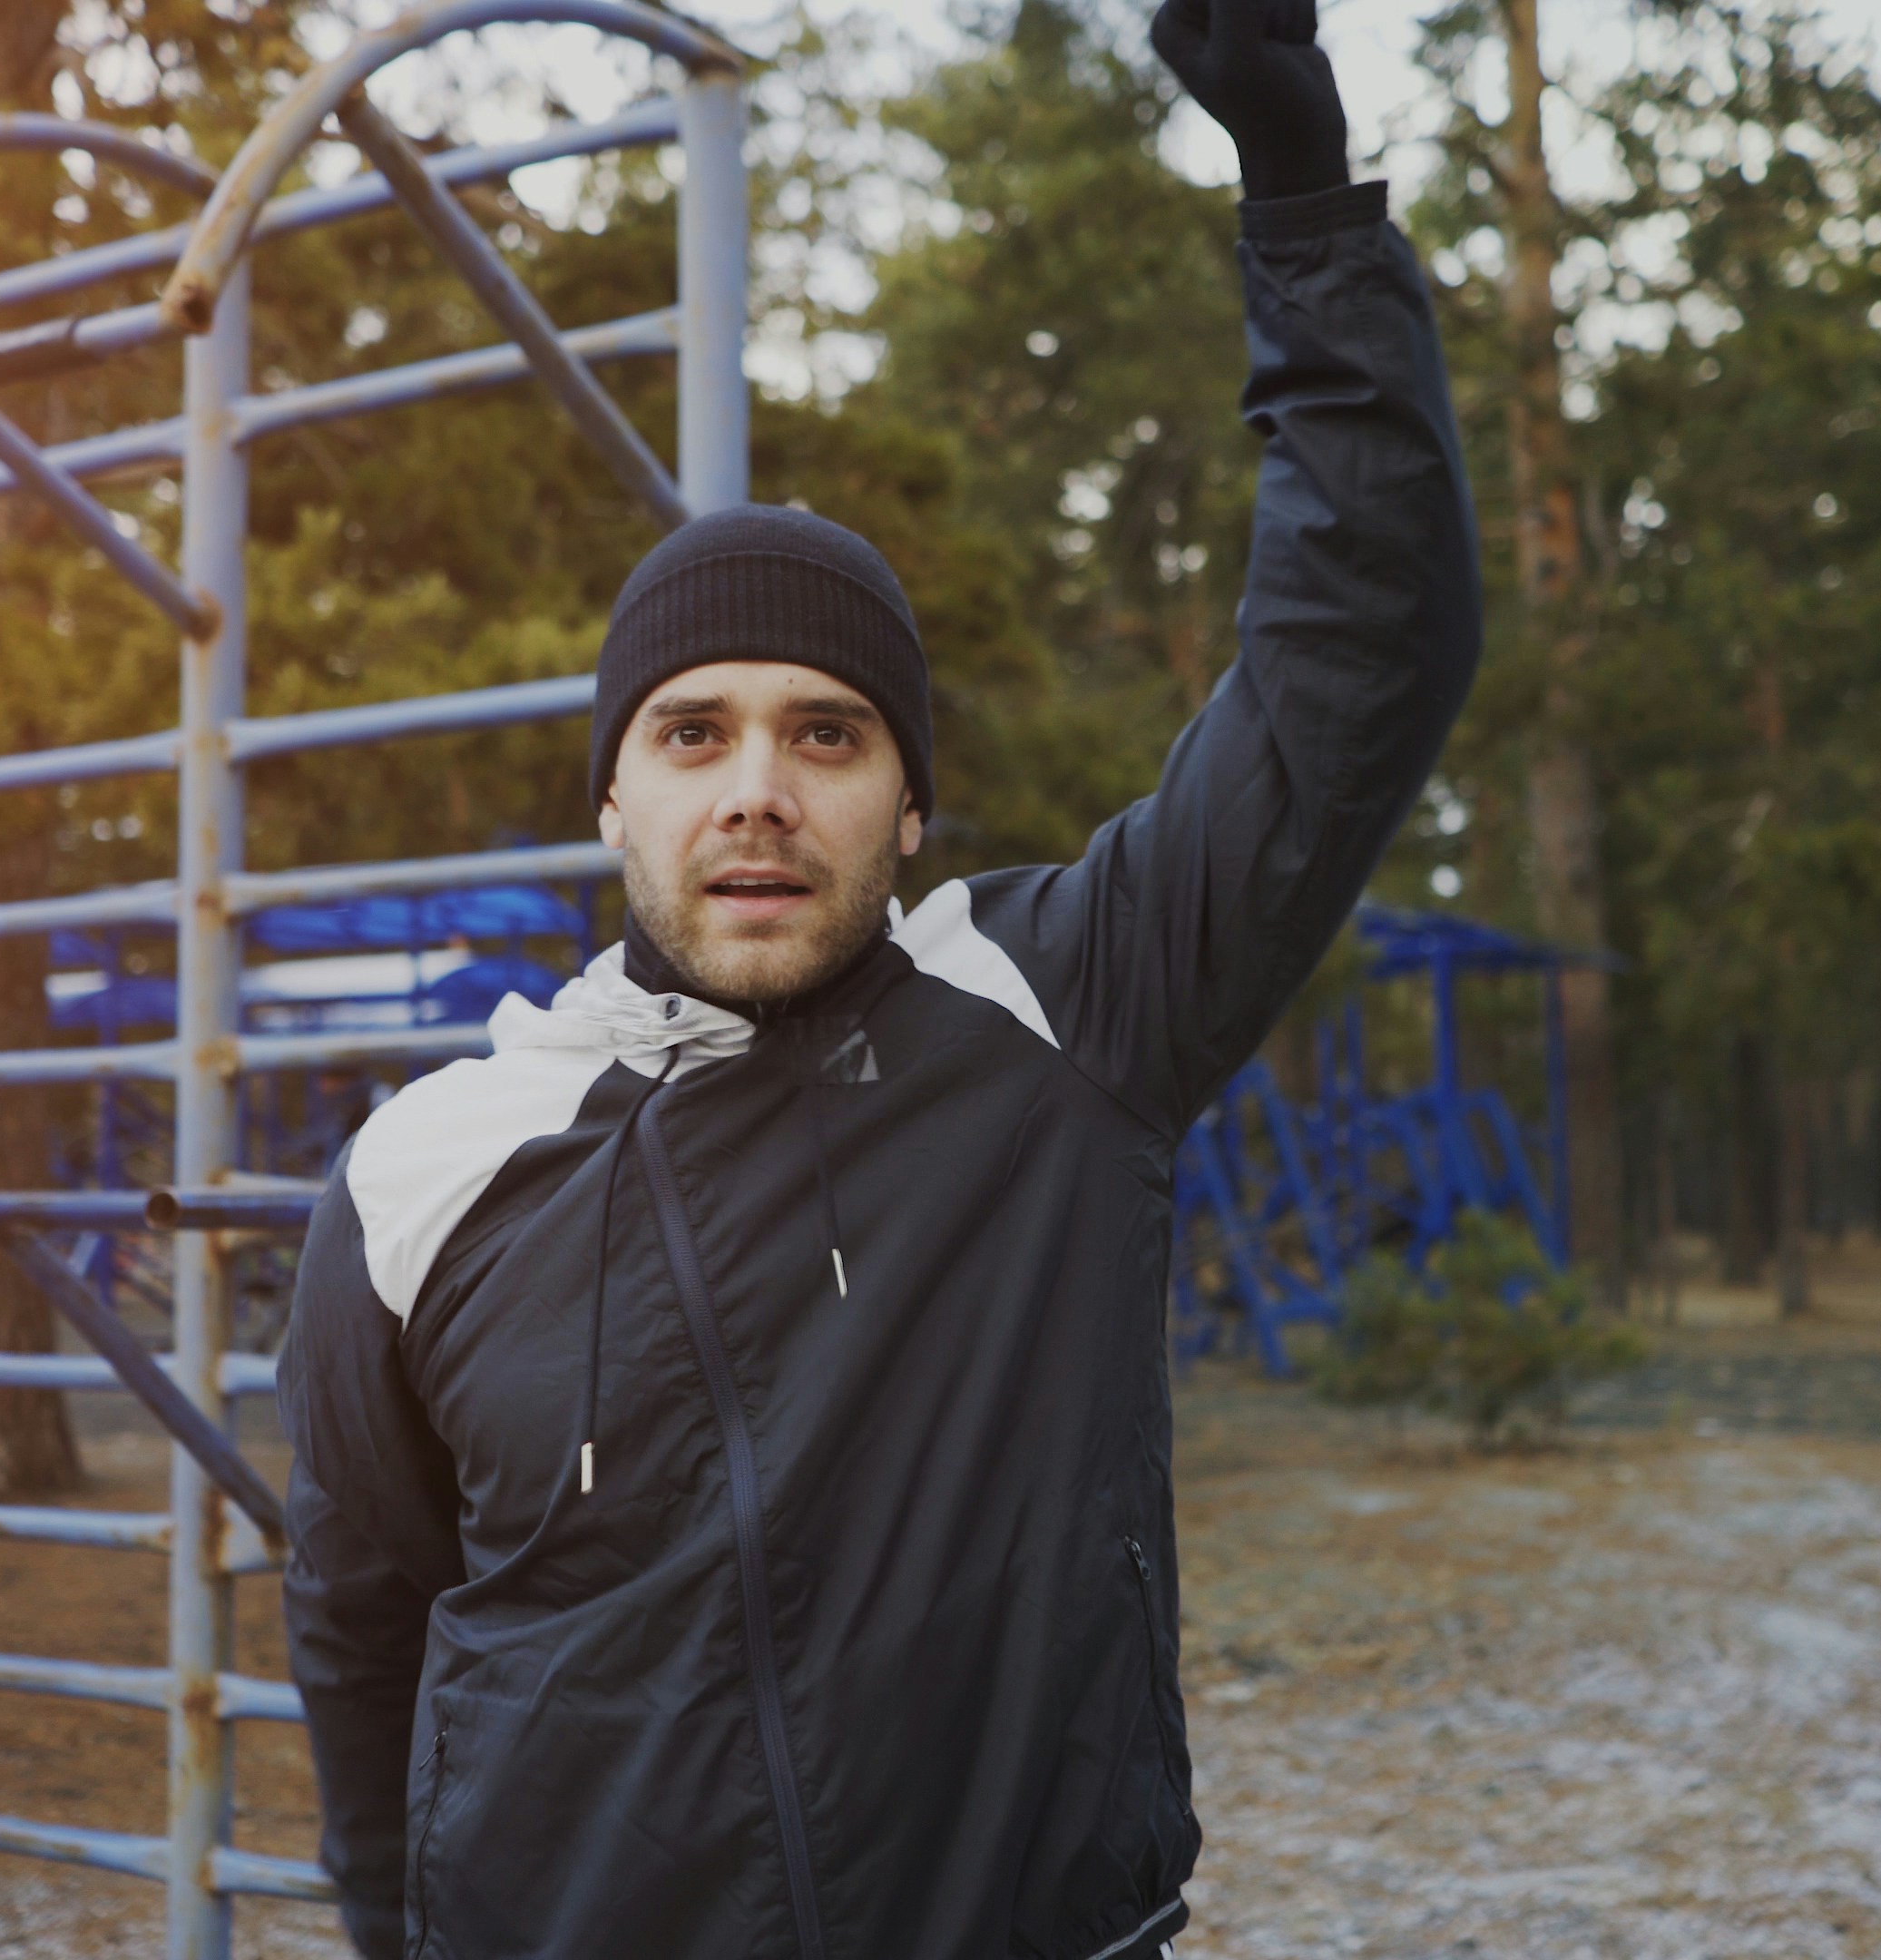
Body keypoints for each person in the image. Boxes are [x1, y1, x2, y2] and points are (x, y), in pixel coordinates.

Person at [276, 3, 1477, 1952]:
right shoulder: (423, 1178)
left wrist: (1307, 199)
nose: (759, 792)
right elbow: (365, 1636)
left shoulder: (1059, 1021)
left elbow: (1363, 658)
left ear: (913, 807)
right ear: (610, 797)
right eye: (694, 735)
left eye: (829, 737)